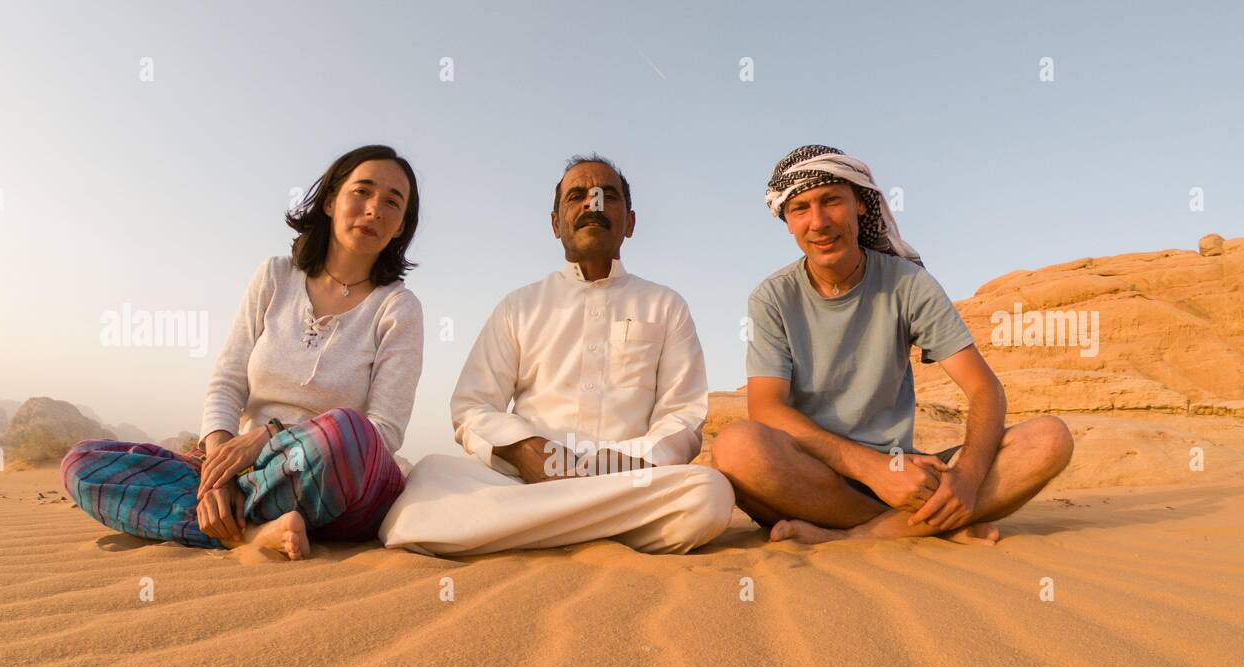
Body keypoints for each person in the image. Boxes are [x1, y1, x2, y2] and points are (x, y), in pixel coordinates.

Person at [62, 144, 424, 559]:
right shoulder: (275, 277)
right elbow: (227, 382)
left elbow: (384, 431)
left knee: (349, 432)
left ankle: (229, 521)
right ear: (330, 202)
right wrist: (220, 473)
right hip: (247, 471)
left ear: (400, 227)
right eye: (362, 192)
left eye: (392, 202)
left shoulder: (398, 307)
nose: (374, 209)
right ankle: (252, 530)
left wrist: (266, 437)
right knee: (84, 463)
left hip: (335, 480)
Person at [711, 144, 1074, 546]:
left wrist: (968, 478)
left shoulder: (907, 284)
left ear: (860, 206)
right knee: (736, 447)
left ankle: (862, 533)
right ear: (788, 223)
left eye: (831, 201)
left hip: (905, 473)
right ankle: (924, 524)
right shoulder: (772, 297)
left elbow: (984, 389)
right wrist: (872, 470)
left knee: (1049, 439)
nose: (818, 222)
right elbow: (766, 408)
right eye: (800, 209)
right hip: (812, 476)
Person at [381, 154, 734, 556]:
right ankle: (594, 526)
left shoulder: (665, 305)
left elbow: (682, 414)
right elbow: (472, 406)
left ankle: (522, 528)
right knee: (431, 475)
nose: (592, 205)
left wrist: (621, 464)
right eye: (578, 196)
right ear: (555, 223)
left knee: (709, 495)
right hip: (530, 479)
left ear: (630, 223)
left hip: (625, 477)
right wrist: (526, 449)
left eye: (607, 196)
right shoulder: (520, 306)